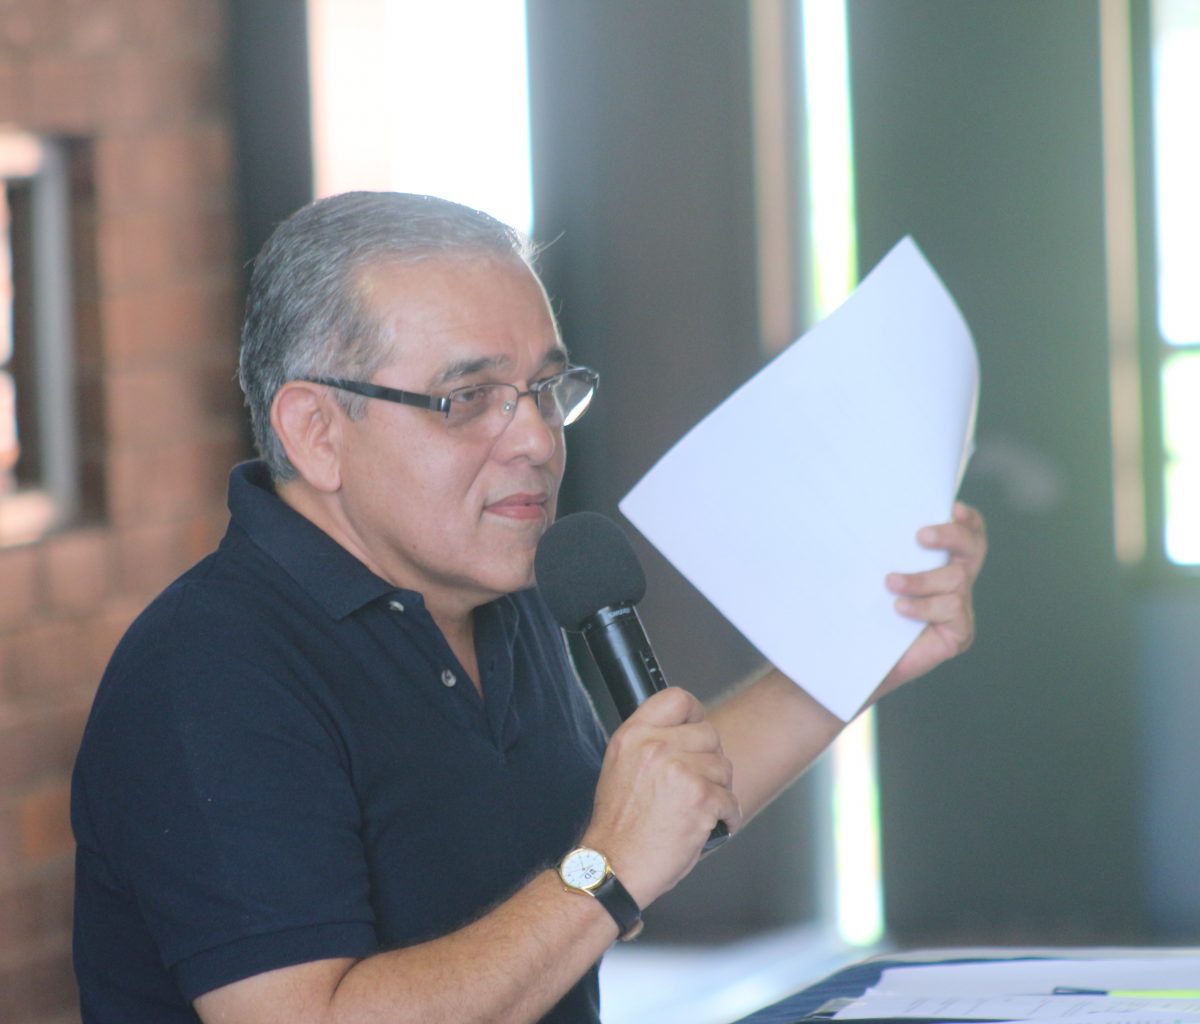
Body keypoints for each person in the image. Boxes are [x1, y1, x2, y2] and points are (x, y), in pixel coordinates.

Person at [70, 191, 988, 1024]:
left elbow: (654, 809)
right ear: (317, 432)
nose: (538, 441)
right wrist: (604, 877)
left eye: (547, 391)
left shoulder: (496, 591)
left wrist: (862, 645)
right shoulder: (209, 673)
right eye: (468, 398)